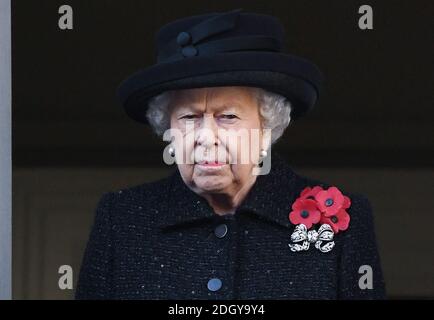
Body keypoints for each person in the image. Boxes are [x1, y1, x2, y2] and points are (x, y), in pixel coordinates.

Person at [76, 8, 386, 299]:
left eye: (228, 117)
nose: (206, 137)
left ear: (267, 127)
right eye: (189, 117)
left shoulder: (344, 222)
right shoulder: (121, 219)